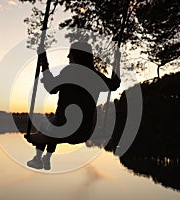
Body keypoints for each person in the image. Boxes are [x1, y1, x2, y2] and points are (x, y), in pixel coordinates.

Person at [25, 41, 120, 170]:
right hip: (85, 132)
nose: (68, 57)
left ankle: (38, 159)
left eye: (71, 54)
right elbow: (114, 85)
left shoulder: (71, 71)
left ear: (77, 55)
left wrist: (44, 61)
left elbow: (51, 88)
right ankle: (46, 159)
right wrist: (117, 62)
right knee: (53, 125)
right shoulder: (95, 75)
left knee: (45, 126)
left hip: (64, 130)